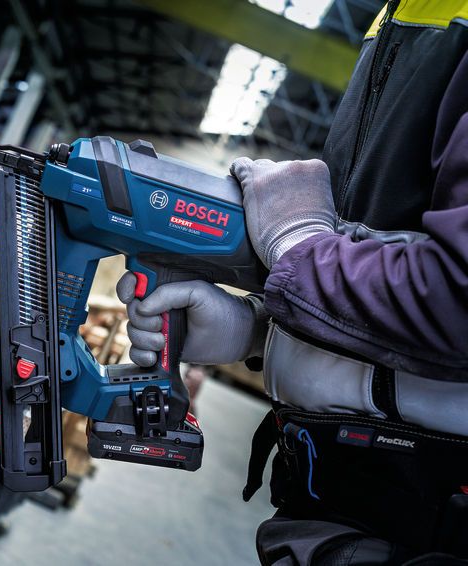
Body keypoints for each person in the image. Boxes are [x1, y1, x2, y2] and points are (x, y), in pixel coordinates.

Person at [117, 1, 468, 563]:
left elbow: (460, 299)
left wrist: (297, 247)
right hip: (337, 510)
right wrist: (262, 331)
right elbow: (391, 251)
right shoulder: (405, 12)